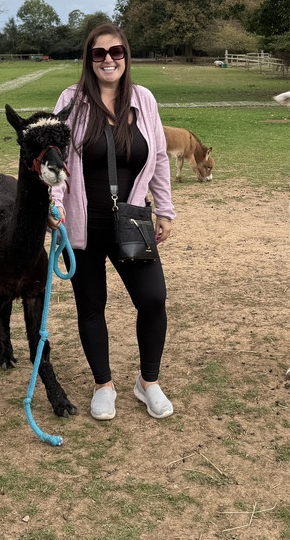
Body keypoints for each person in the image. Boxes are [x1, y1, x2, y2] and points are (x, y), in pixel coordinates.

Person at [49, 23, 177, 421]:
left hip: (133, 219)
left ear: (126, 56)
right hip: (82, 225)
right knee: (91, 306)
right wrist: (54, 206)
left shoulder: (144, 99)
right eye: (99, 53)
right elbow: (55, 161)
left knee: (153, 298)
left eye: (116, 52)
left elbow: (157, 157)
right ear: (89, 59)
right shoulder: (71, 101)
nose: (108, 59)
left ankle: (148, 382)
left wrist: (165, 209)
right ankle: (103, 385)